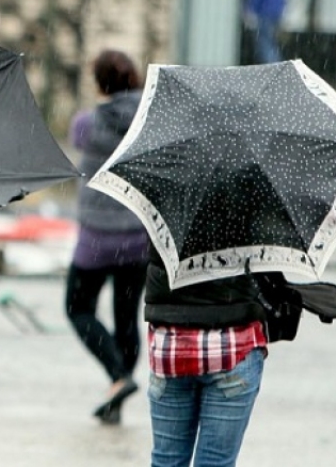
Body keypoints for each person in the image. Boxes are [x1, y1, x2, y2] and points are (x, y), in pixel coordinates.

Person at [64, 49, 149, 425]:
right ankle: (121, 386)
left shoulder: (87, 124)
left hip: (96, 238)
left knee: (78, 307)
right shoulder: (150, 123)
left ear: (100, 83)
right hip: (137, 237)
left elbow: (77, 136)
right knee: (126, 317)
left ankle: (117, 376)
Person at [144, 248, 269, 467]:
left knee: (167, 461)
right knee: (216, 463)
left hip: (171, 348)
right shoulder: (249, 214)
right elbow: (267, 272)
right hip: (232, 345)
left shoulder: (165, 214)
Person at [245, 0, 286, 64]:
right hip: (275, 11)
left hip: (265, 11)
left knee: (265, 43)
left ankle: (274, 67)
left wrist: (251, 7)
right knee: (271, 42)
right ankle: (277, 66)